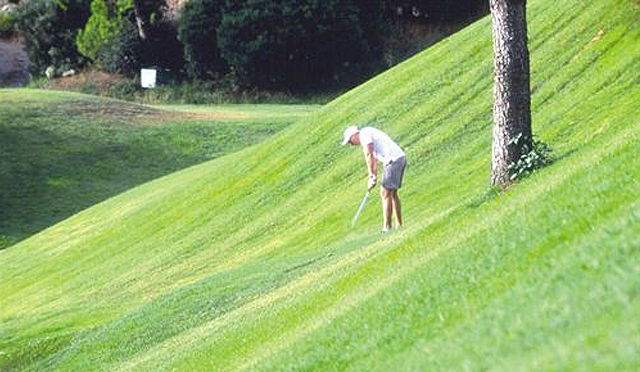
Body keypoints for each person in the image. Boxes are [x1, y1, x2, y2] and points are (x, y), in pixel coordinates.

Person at [342, 125, 407, 232]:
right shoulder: (367, 134)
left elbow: (369, 155)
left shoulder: (364, 134)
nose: (351, 144)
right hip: (399, 158)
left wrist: (371, 176)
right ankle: (399, 225)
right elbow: (374, 161)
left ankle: (387, 227)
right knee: (392, 193)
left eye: (350, 141)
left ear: (354, 135)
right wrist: (373, 177)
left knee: (385, 193)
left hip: (393, 161)